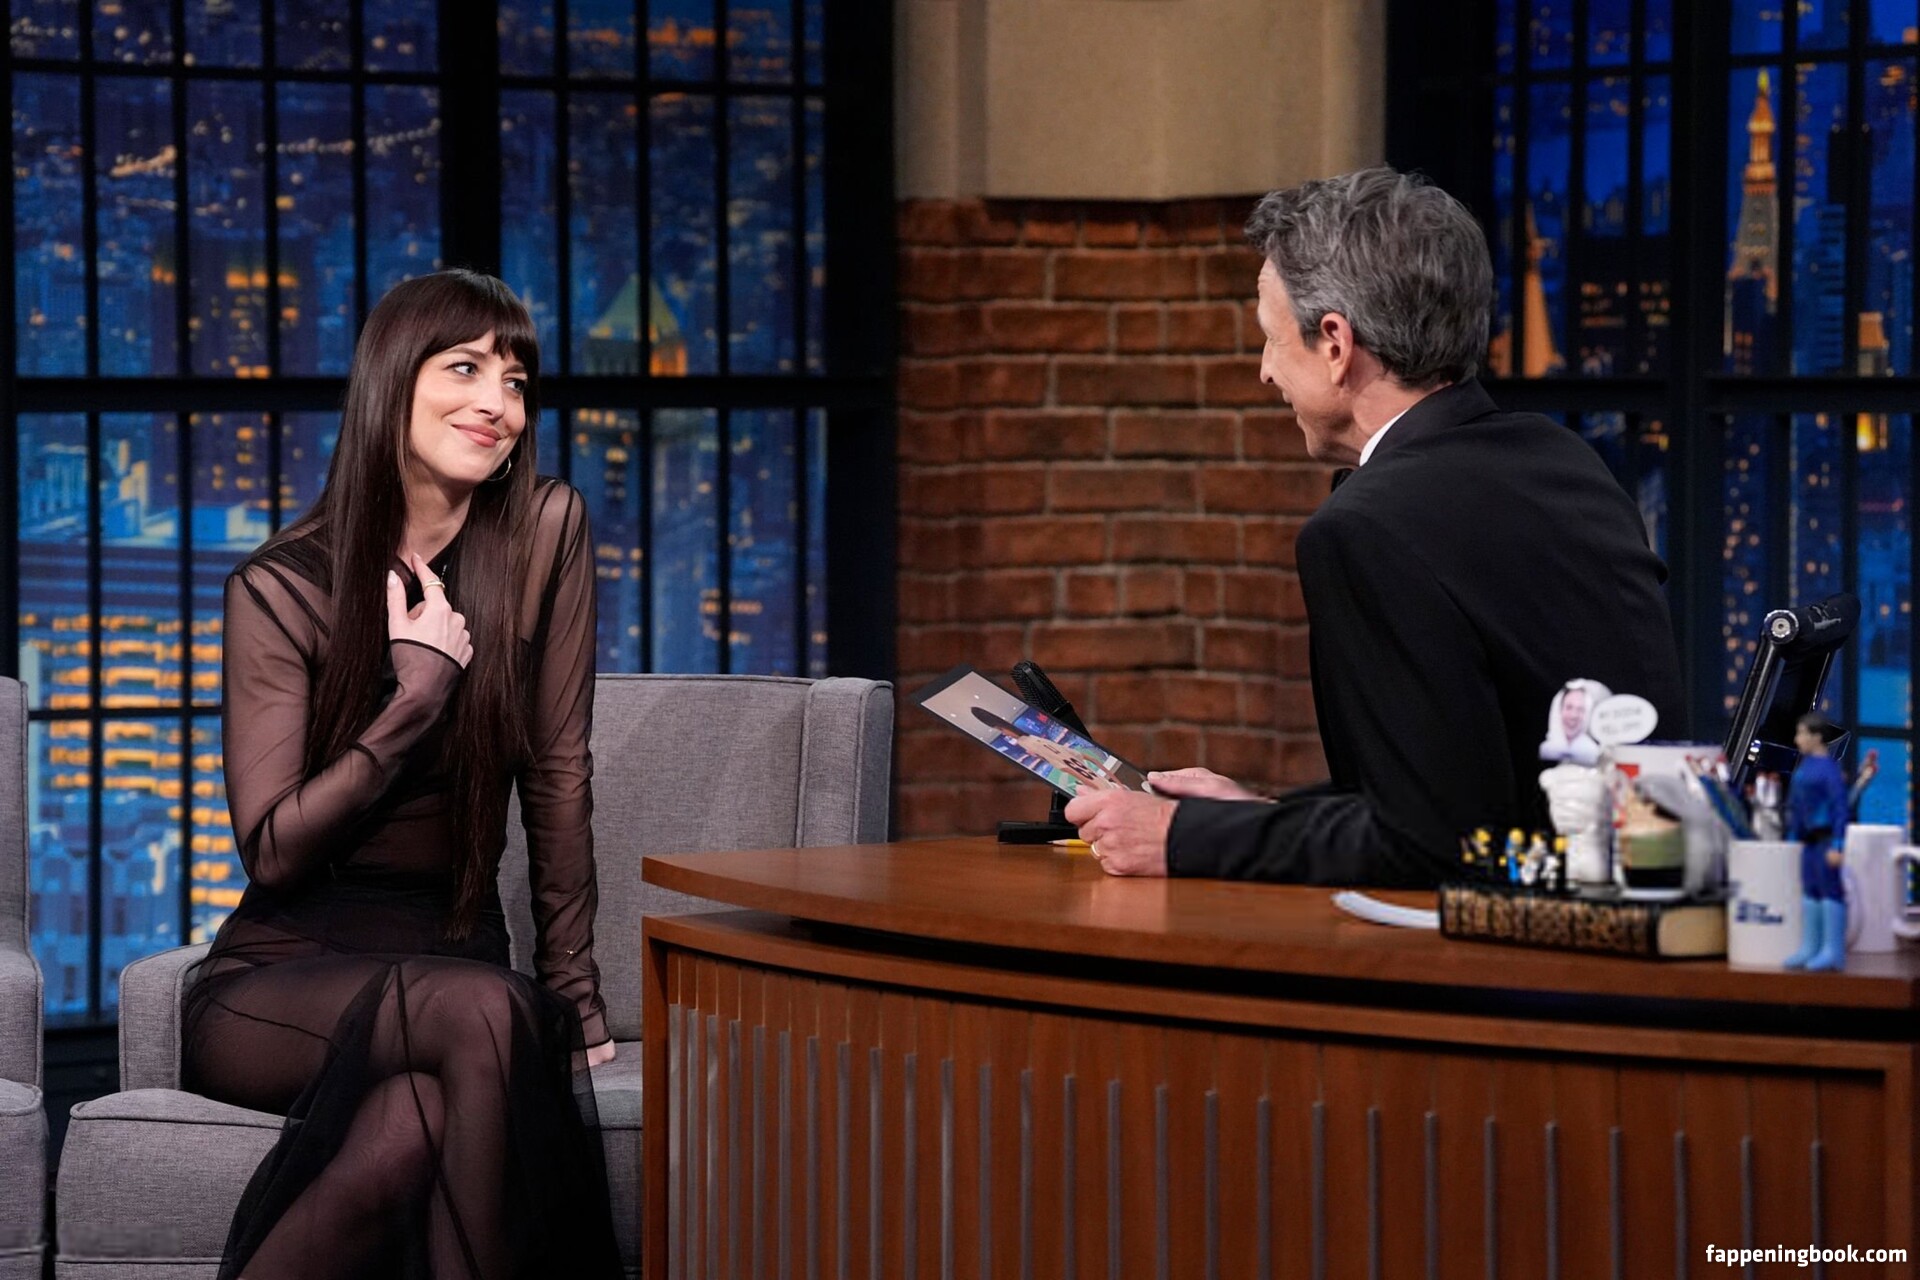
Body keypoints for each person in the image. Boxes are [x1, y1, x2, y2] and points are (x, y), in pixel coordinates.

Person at [181, 270, 623, 1278]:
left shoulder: (544, 529)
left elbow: (559, 769)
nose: (497, 403)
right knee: (494, 1015)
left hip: (457, 952)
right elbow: (273, 850)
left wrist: (574, 986)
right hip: (283, 978)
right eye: (465, 369)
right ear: (393, 380)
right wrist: (414, 699)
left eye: (516, 381)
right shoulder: (280, 585)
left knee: (415, 1121)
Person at [1065, 167, 1686, 884]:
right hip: (1638, 901)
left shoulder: (1370, 526)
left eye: (1271, 339)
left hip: (1505, 940)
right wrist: (1253, 816)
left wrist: (1183, 838)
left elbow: (1428, 843)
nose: (1265, 371)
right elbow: (1463, 791)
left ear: (1336, 343)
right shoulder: (1562, 459)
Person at [1783, 713, 1849, 971]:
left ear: (1817, 737)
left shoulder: (1828, 770)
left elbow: (1839, 808)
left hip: (1825, 840)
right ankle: (1811, 946)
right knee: (1810, 891)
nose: (1797, 739)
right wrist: (1793, 835)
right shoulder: (1805, 767)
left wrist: (1838, 845)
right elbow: (1797, 806)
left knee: (1830, 891)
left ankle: (1833, 950)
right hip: (1809, 842)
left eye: (1802, 733)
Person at [971, 706, 1129, 793]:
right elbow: (1092, 761)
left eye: (1001, 729)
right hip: (1114, 789)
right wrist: (1118, 783)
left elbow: (1073, 770)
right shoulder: (1038, 742)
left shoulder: (1027, 743)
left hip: (1108, 793)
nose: (1004, 733)